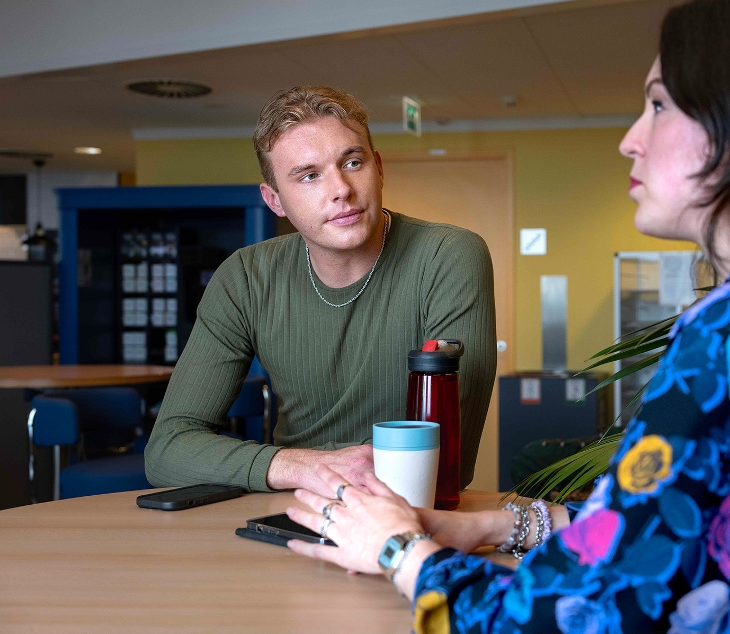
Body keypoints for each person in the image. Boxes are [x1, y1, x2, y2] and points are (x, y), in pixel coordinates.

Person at [285, 0, 730, 633]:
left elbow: (582, 615)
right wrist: (489, 524)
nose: (631, 136)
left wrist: (397, 549)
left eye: (658, 104)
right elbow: (688, 511)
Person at [145, 86, 497, 498]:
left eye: (352, 162)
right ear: (274, 200)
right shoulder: (244, 277)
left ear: (378, 168)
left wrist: (300, 465)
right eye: (309, 175)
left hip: (410, 515)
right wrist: (302, 466)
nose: (341, 189)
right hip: (288, 509)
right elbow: (167, 449)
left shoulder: (447, 256)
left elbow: (439, 462)